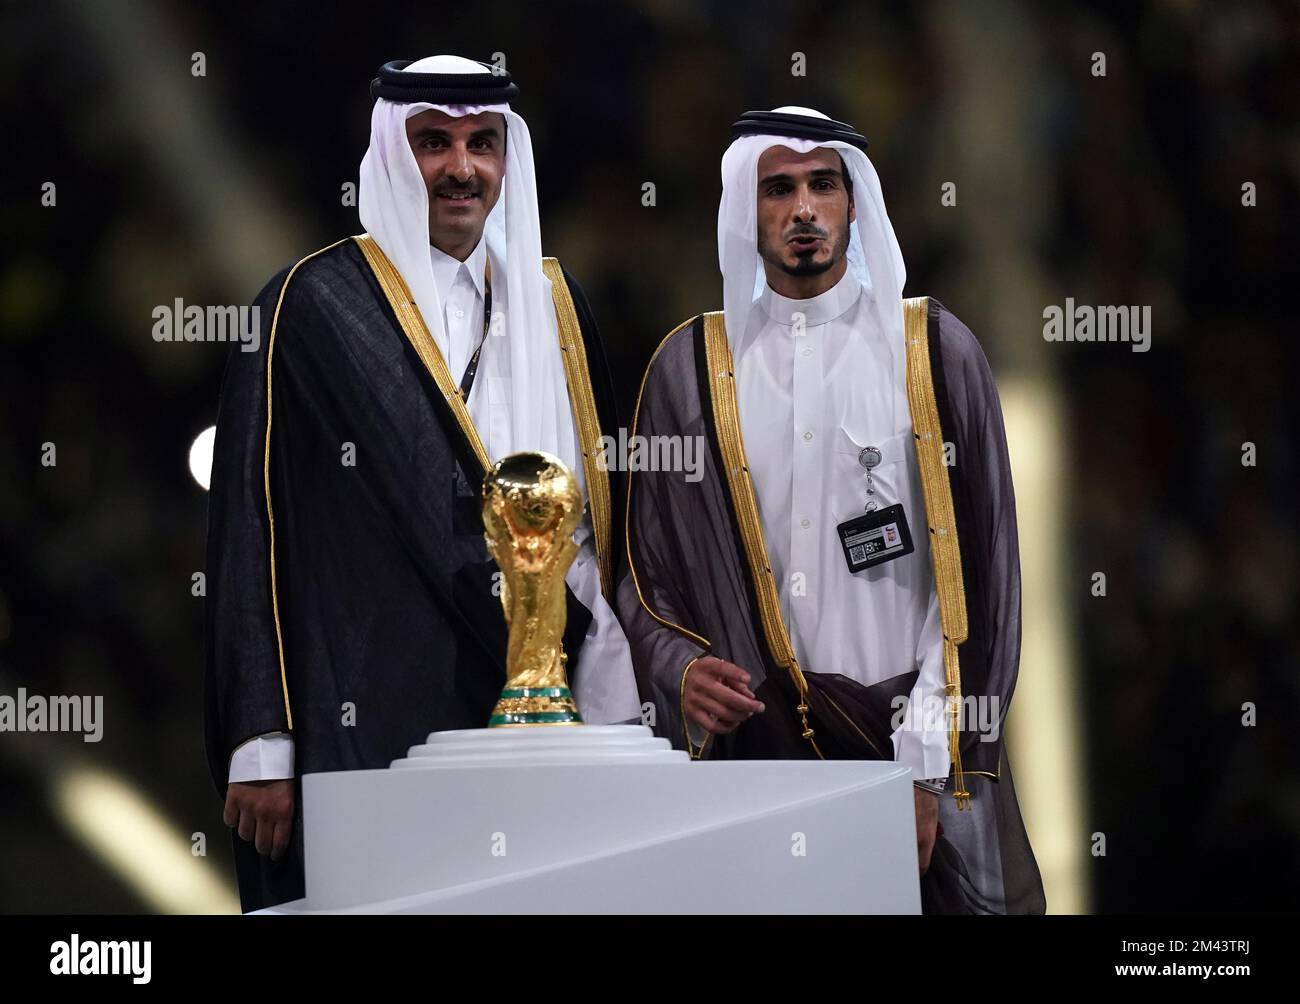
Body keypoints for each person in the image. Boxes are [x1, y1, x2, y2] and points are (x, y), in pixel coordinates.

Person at [204, 55, 639, 911]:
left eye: (482, 143)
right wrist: (262, 738)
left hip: (548, 711)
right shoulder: (309, 305)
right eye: (433, 143)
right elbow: (249, 532)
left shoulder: (558, 305)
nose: (462, 168)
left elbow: (593, 520)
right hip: (368, 707)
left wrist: (614, 685)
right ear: (393, 157)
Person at [617, 106, 1045, 914]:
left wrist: (924, 769)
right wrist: (680, 671)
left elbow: (980, 583)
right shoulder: (689, 373)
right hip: (759, 763)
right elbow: (644, 580)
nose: (803, 210)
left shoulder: (935, 354)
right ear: (747, 208)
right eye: (778, 189)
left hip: (902, 754)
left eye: (823, 185)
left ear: (856, 202)